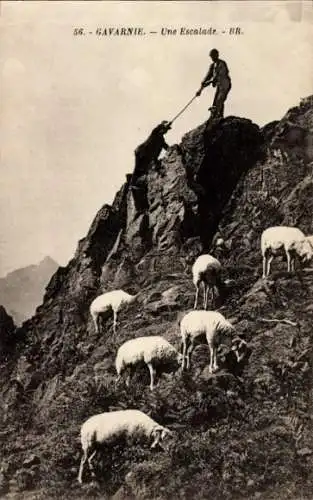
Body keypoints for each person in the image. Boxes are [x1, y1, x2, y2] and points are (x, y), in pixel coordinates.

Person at [130, 120, 171, 213]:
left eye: (166, 130)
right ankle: (133, 184)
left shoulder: (161, 139)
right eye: (165, 130)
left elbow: (166, 147)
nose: (165, 131)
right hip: (141, 153)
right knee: (138, 171)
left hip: (146, 157)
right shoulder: (155, 134)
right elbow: (156, 130)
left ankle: (135, 185)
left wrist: (172, 149)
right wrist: (163, 125)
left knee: (142, 172)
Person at [196, 49, 231, 119]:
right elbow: (207, 78)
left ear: (217, 55)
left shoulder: (222, 63)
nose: (212, 58)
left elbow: (220, 75)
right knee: (216, 101)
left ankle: (218, 116)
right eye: (211, 56)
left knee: (219, 100)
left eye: (214, 56)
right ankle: (217, 116)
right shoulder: (212, 66)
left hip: (225, 84)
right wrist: (200, 90)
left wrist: (210, 81)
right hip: (219, 85)